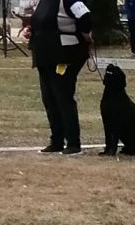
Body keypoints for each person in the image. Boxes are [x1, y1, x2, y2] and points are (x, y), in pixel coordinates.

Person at [30, 0, 91, 155]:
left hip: (66, 54)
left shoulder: (70, 1)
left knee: (63, 97)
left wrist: (85, 35)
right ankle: (56, 141)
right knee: (49, 98)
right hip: (44, 55)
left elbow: (86, 17)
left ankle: (73, 143)